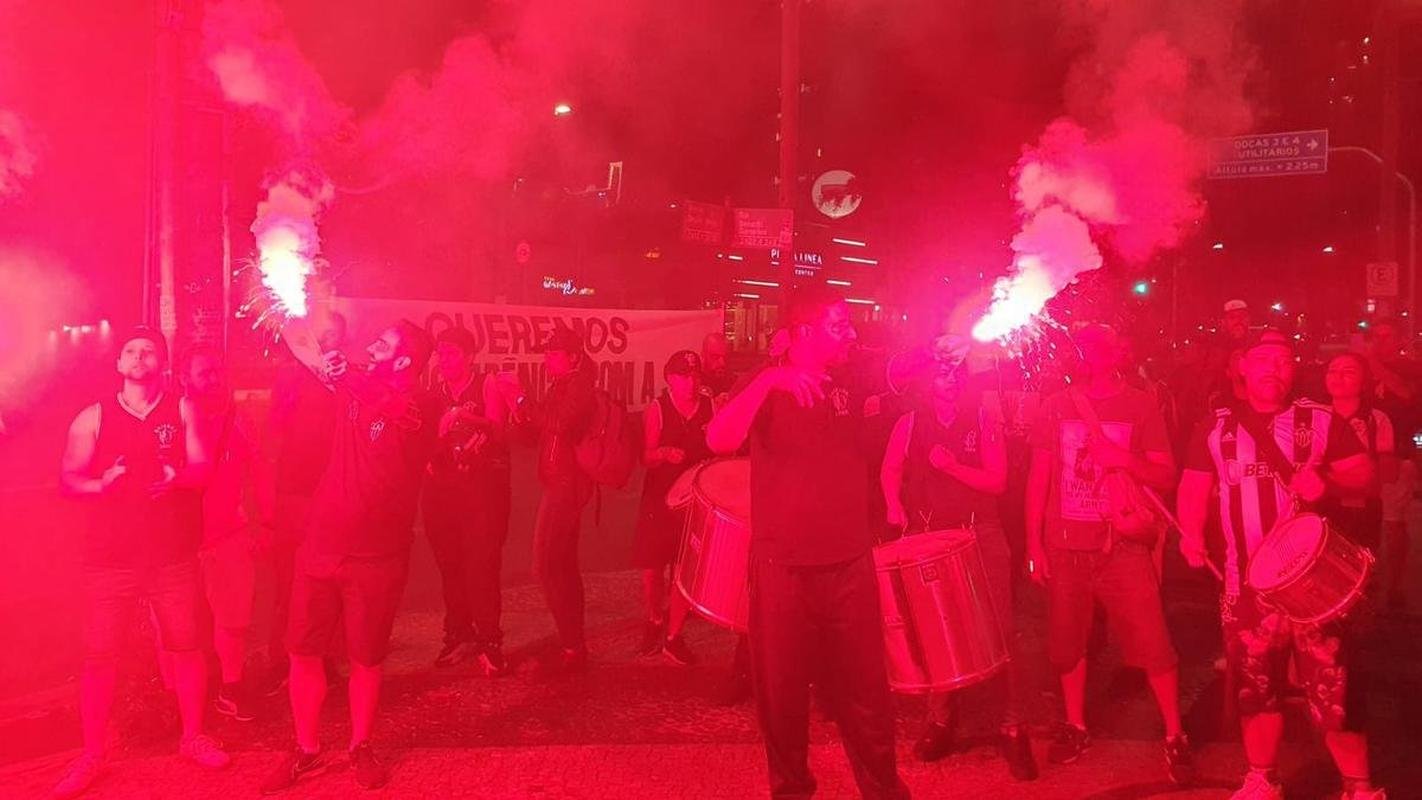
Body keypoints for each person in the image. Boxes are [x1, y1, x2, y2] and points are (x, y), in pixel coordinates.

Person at [707, 286, 909, 799]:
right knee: (781, 698)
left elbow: (900, 373)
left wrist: (938, 351)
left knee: (866, 694)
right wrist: (772, 381)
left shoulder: (853, 374)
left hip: (847, 563)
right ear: (802, 334)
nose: (851, 334)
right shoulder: (764, 382)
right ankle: (792, 791)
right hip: (783, 567)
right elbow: (719, 438)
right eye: (839, 326)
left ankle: (884, 791)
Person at [1176, 329, 1383, 800]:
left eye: (1285, 360)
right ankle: (1262, 779)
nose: (1275, 368)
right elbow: (1192, 488)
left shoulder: (1321, 421)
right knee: (1256, 689)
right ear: (1242, 366)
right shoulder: (1214, 427)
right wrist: (1189, 533)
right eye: (1264, 359)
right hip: (1246, 583)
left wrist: (1326, 484)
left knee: (1335, 689)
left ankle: (1359, 787)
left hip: (1316, 587)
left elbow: (1366, 476)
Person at [54, 327, 229, 797]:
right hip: (108, 560)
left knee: (187, 647)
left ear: (162, 363)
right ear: (119, 365)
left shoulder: (182, 408)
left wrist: (178, 480)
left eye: (148, 351)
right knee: (98, 657)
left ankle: (193, 736)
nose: (138, 357)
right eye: (130, 351)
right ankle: (93, 754)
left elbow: (203, 469)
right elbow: (69, 480)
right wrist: (101, 485)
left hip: (171, 555)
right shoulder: (93, 416)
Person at [262, 317, 433, 793]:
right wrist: (311, 340)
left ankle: (361, 745)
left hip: (377, 555)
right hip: (321, 546)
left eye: (382, 342)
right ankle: (306, 748)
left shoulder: (418, 402)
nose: (370, 343)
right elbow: (305, 349)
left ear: (403, 361)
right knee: (303, 650)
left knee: (366, 658)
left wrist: (346, 374)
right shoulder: (351, 383)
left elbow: (392, 406)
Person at [1023, 323, 1193, 784]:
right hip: (1066, 546)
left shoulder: (1141, 403)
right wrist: (1034, 542)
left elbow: (1165, 476)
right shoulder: (1055, 406)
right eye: (1085, 349)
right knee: (1067, 641)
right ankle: (1076, 726)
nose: (1093, 356)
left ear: (1119, 354)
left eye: (1103, 348)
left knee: (1153, 643)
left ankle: (1174, 734)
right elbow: (1039, 478)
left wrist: (1123, 459)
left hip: (1122, 545)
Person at [880, 357, 1036, 780]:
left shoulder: (981, 419)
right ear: (929, 381)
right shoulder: (910, 423)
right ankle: (941, 721)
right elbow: (891, 468)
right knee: (936, 631)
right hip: (929, 537)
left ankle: (1012, 725)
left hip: (978, 535)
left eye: (953, 374)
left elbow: (998, 481)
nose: (947, 381)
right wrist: (893, 504)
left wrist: (952, 467)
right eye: (941, 374)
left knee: (1000, 631)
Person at [180, 345, 274, 723]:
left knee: (233, 618)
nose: (213, 378)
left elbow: (260, 472)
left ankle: (230, 687)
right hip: (180, 540)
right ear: (186, 378)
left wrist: (265, 521)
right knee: (178, 624)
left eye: (217, 370)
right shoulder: (173, 419)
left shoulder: (239, 419)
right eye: (204, 372)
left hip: (228, 534)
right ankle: (178, 698)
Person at [420, 327, 518, 674]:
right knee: (451, 568)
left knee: (482, 567)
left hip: (483, 492)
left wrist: (463, 416)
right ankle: (459, 632)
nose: (445, 361)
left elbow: (500, 430)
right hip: (444, 493)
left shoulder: (486, 384)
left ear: (470, 356)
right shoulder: (434, 393)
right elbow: (428, 441)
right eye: (441, 354)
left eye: (452, 354)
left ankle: (490, 640)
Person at [263, 312, 345, 695]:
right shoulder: (290, 377)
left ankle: (325, 658)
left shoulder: (347, 377)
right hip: (294, 494)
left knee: (329, 579)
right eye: (323, 334)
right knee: (287, 579)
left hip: (334, 495)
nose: (328, 341)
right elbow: (273, 438)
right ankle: (281, 659)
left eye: (335, 336)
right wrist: (268, 503)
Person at [634, 349, 712, 665]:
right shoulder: (658, 409)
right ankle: (654, 619)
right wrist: (663, 452)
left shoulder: (709, 407)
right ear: (669, 378)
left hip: (693, 501)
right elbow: (645, 456)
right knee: (652, 569)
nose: (690, 382)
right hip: (659, 499)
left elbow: (722, 445)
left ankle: (673, 635)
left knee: (684, 571)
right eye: (683, 376)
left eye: (695, 376)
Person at [528, 326, 598, 673]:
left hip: (567, 485)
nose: (547, 359)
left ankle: (572, 644)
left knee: (548, 565)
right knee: (562, 566)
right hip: (560, 483)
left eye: (554, 353)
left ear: (573, 356)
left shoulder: (580, 385)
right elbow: (540, 426)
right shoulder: (563, 384)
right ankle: (573, 642)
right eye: (547, 352)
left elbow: (560, 423)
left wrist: (523, 402)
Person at [1322, 352, 1395, 553]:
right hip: (1323, 510)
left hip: (1364, 510)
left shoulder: (1376, 420)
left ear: (1364, 382)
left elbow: (1386, 474)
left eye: (1349, 372)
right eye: (1332, 371)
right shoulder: (1314, 417)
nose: (1338, 377)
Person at [701, 332, 736, 410]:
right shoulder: (694, 382)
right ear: (703, 355)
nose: (722, 363)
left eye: (726, 357)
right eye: (715, 357)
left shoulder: (734, 382)